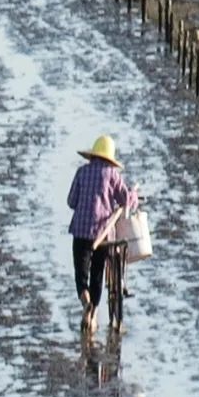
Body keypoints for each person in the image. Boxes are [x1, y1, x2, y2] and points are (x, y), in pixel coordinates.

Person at [67, 135, 141, 337]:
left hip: (81, 231)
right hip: (103, 233)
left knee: (81, 275)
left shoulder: (81, 172)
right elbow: (126, 201)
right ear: (109, 159)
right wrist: (133, 195)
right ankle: (94, 312)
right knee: (97, 273)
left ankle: (86, 303)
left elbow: (71, 202)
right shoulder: (112, 175)